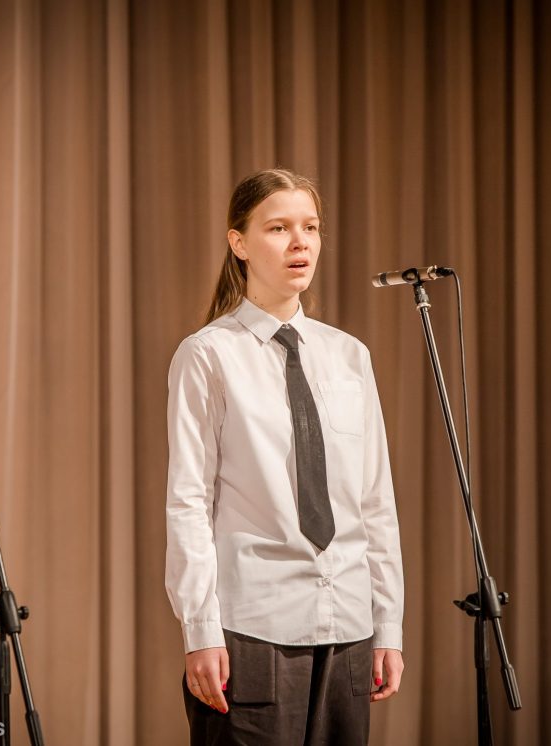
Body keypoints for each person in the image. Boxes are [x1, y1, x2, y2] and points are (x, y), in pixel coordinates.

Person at [165, 169, 405, 745]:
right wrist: (200, 628)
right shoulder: (208, 355)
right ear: (239, 243)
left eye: (311, 227)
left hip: (348, 622)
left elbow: (375, 500)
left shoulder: (349, 355)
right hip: (254, 625)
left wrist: (388, 623)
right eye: (278, 228)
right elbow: (188, 500)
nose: (300, 242)